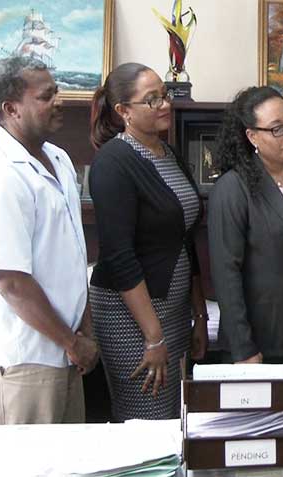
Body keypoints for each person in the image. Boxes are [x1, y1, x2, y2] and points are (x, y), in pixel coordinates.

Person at [0, 56, 99, 425]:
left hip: (64, 353)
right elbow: (13, 282)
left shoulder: (59, 158)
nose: (59, 101)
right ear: (11, 109)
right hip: (21, 361)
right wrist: (73, 342)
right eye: (46, 96)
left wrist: (83, 332)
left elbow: (71, 255)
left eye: (57, 92)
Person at [88, 62, 207, 420]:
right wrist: (153, 337)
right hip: (131, 318)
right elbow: (120, 257)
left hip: (173, 312)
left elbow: (186, 239)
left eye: (165, 95)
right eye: (152, 100)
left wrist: (198, 315)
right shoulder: (113, 163)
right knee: (146, 421)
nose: (165, 105)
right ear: (123, 111)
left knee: (176, 418)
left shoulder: (169, 155)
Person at [208, 86, 283, 365]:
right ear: (252, 136)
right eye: (276, 129)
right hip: (259, 344)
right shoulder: (233, 188)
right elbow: (227, 274)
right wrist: (243, 348)